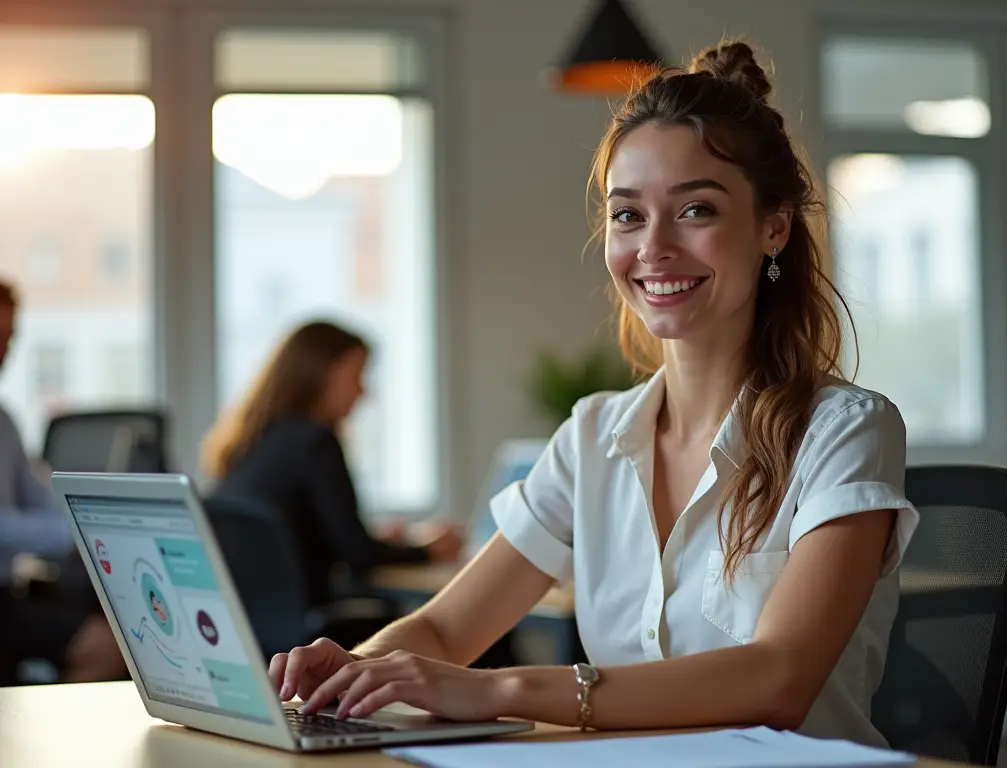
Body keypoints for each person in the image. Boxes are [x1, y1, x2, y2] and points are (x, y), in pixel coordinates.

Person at [269, 40, 921, 746]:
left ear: (773, 227)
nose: (654, 247)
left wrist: (500, 688)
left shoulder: (846, 430)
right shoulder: (593, 436)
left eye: (696, 210)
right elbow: (443, 627)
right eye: (628, 214)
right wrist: (350, 675)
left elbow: (779, 678)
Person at [202, 321, 463, 607]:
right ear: (320, 375)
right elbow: (359, 556)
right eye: (356, 377)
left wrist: (374, 540)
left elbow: (312, 539)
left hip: (259, 621)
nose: (363, 393)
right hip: (316, 628)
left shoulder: (252, 441)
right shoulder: (315, 442)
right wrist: (429, 550)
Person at [0, 279, 124, 684]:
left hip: (9, 595)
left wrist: (94, 511)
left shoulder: (4, 422)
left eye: (9, 339)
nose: (3, 353)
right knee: (105, 646)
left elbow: (41, 496)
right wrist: (76, 531)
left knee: (119, 637)